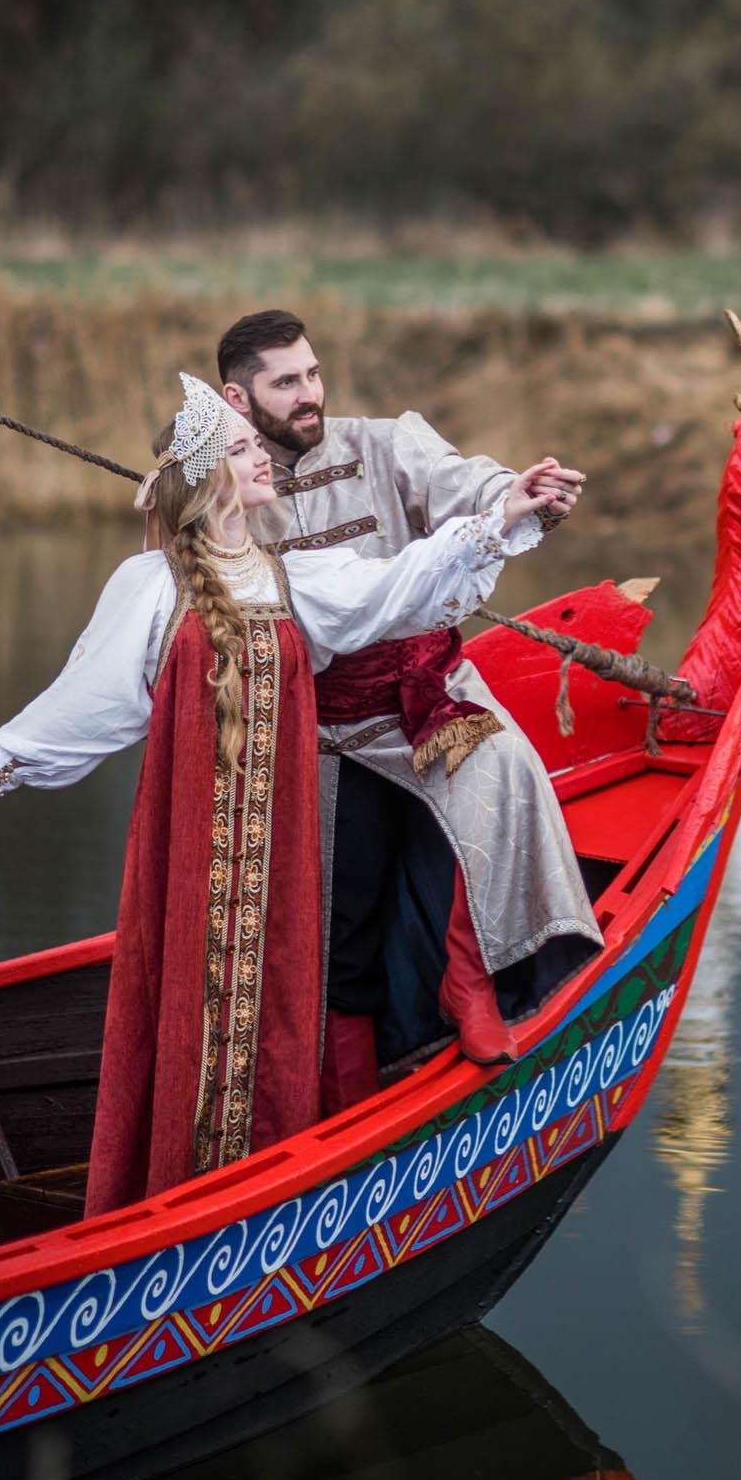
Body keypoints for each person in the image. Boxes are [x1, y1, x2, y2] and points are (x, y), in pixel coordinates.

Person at [0, 374, 570, 1216]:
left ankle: (269, 1181)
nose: (266, 459)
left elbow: (398, 582)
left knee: (282, 995)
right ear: (213, 473)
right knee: (195, 1003)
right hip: (193, 847)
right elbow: (87, 705)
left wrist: (501, 514)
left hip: (279, 847)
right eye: (246, 449)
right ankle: (182, 1193)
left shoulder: (297, 581)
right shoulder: (151, 587)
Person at [216, 310, 602, 1107]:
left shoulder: (388, 443)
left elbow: (472, 488)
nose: (309, 394)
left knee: (503, 775)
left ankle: (473, 987)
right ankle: (345, 1088)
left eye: (313, 374)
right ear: (238, 397)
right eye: (286, 383)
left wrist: (523, 496)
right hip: (320, 732)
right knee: (337, 915)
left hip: (431, 696)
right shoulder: (228, 482)